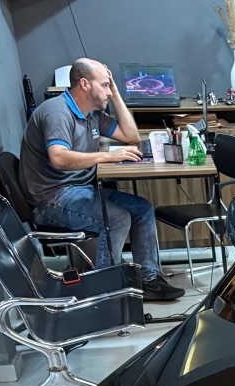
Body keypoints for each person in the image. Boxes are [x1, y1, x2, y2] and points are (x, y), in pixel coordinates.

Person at [19, 58, 184, 302]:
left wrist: (115, 94)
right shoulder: (57, 112)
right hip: (51, 198)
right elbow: (59, 157)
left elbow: (130, 136)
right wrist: (107, 156)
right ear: (85, 84)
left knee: (142, 209)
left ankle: (148, 280)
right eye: (105, 85)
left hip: (80, 190)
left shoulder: (92, 114)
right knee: (117, 219)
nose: (108, 91)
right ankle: (106, 293)